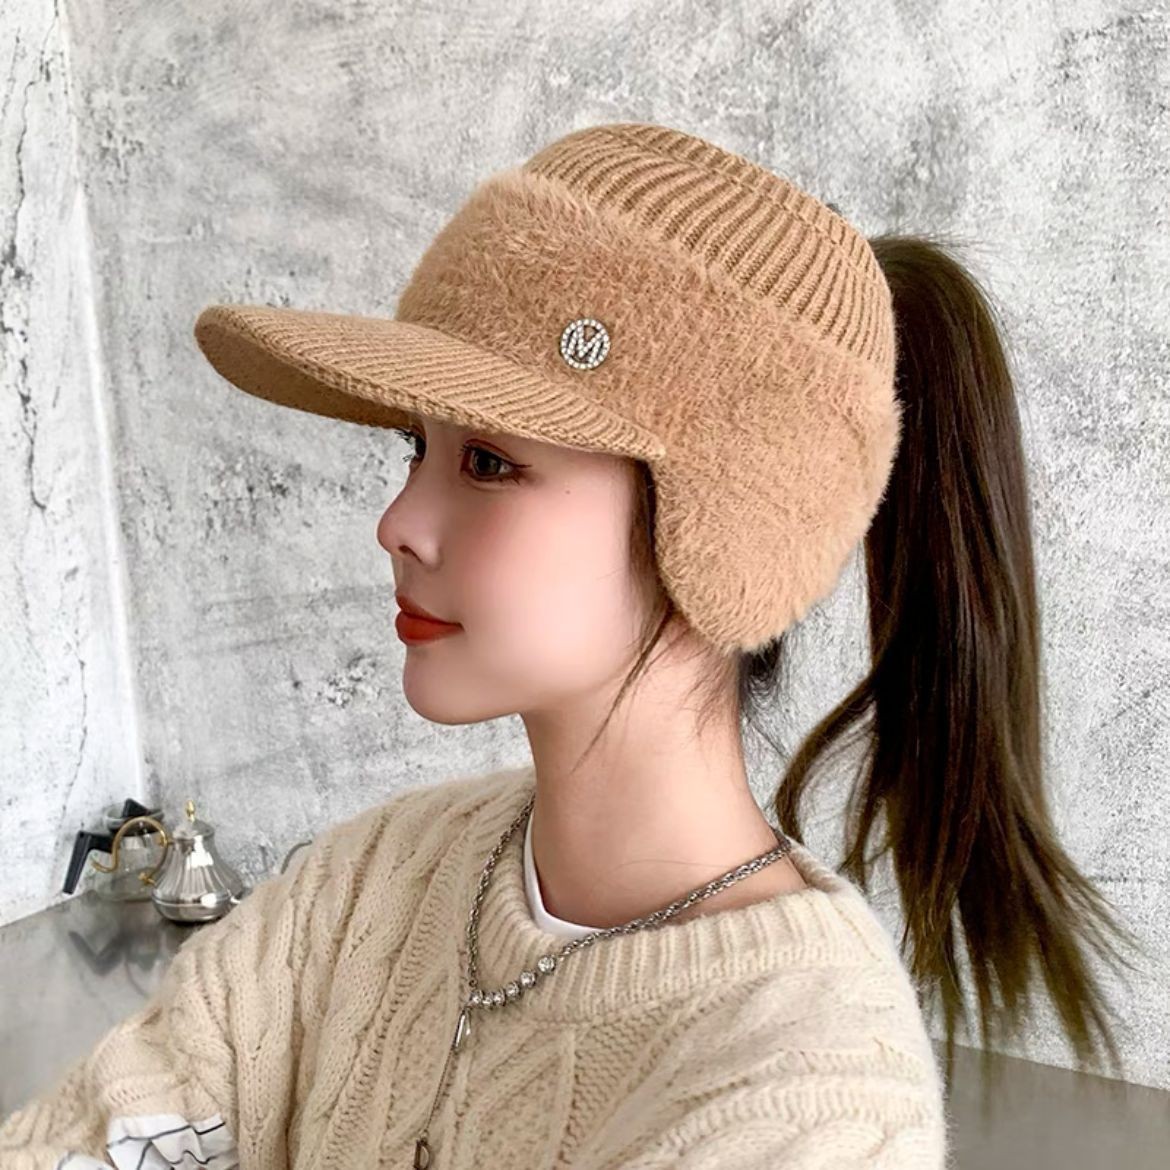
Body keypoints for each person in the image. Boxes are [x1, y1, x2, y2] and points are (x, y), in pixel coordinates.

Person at [0, 120, 1142, 1170]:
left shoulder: (813, 1107)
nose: (398, 523)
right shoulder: (377, 878)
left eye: (491, 462)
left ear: (723, 530)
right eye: (415, 449)